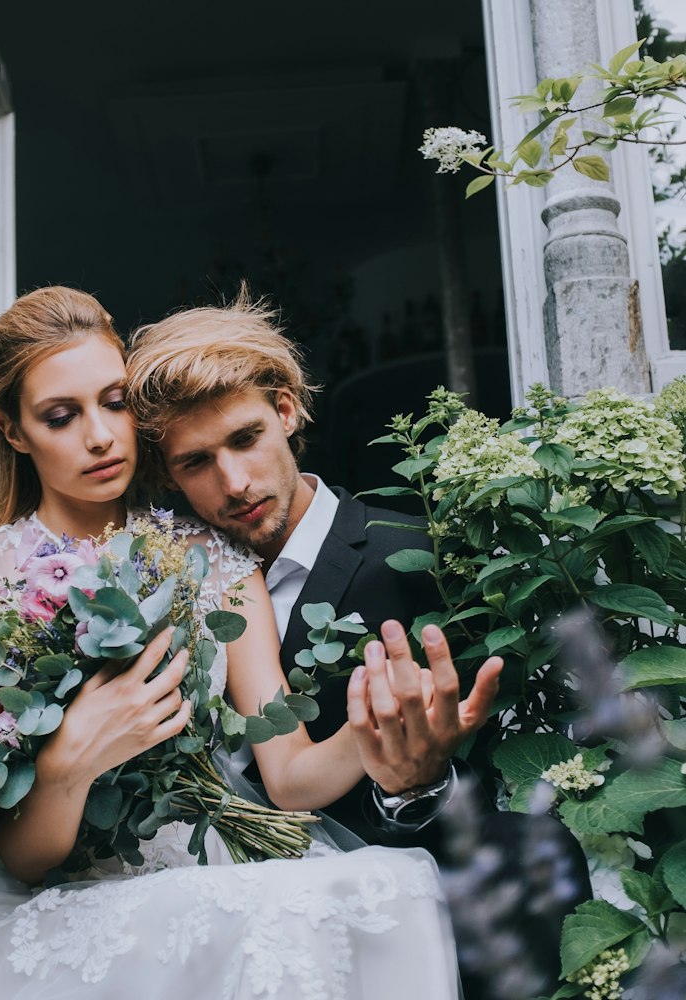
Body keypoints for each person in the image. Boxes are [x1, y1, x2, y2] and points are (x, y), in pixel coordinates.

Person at [0, 286, 465, 1000]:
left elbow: (287, 775)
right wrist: (68, 763)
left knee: (365, 900)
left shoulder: (214, 558)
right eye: (61, 417)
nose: (98, 435)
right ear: (13, 431)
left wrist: (379, 732)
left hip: (212, 867)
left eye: (115, 403)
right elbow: (24, 861)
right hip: (58, 902)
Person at [124, 290, 594, 997]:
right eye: (197, 463)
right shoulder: (161, 579)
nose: (234, 483)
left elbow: (488, 766)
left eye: (246, 438)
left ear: (285, 411)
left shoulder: (414, 553)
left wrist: (415, 786)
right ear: (169, 475)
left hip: (376, 884)